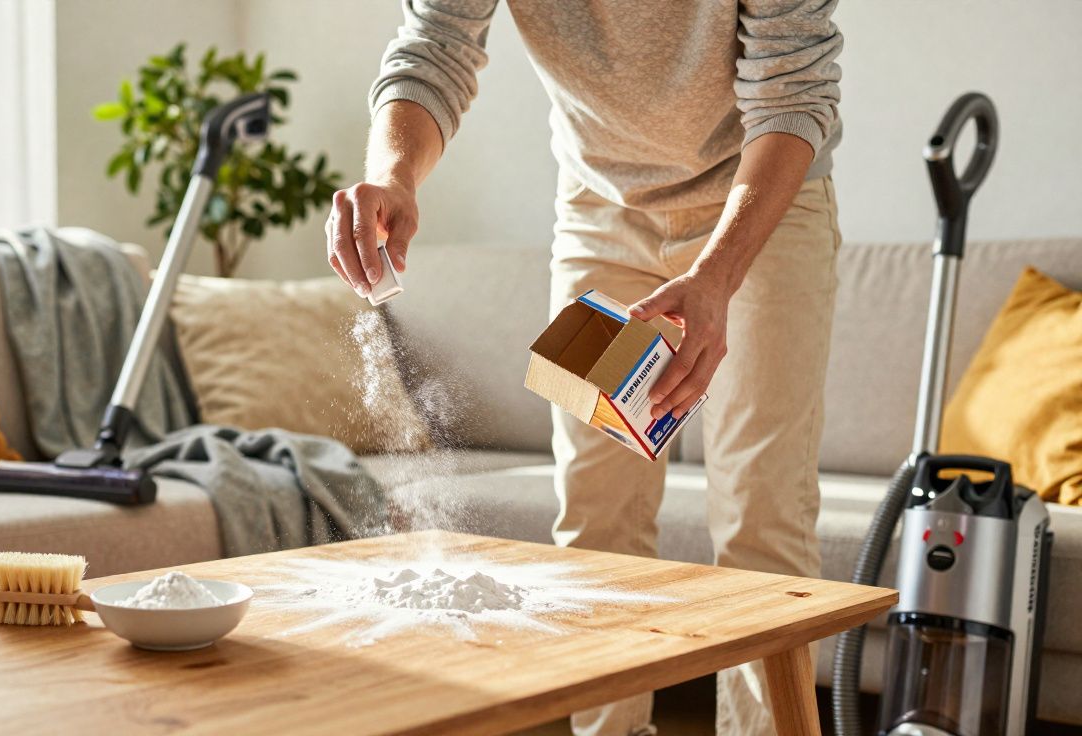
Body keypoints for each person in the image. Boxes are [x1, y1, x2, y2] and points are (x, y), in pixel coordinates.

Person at [325, 2, 843, 734]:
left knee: (763, 517)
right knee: (596, 514)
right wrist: (395, 175)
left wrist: (717, 276)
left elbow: (794, 91)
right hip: (600, 210)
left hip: (758, 208)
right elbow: (436, 44)